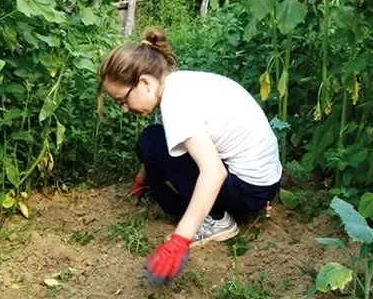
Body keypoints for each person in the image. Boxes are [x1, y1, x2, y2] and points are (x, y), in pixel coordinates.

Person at [96, 27, 282, 285]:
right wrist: (142, 180)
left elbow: (214, 172)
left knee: (152, 145)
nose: (125, 109)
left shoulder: (177, 104)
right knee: (153, 140)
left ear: (144, 82)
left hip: (249, 190)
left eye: (122, 100)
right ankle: (209, 210)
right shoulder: (178, 84)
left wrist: (179, 240)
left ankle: (218, 220)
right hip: (263, 181)